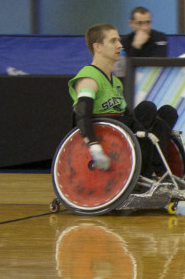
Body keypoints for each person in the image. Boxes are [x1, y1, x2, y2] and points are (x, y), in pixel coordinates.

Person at [70, 24, 178, 178]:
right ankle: (149, 173)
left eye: (119, 41)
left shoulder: (115, 82)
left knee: (167, 113)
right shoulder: (88, 78)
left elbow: (128, 116)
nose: (120, 45)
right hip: (107, 137)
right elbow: (82, 115)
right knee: (148, 108)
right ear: (98, 47)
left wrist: (143, 129)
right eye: (113, 41)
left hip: (122, 127)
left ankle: (162, 172)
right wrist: (93, 145)